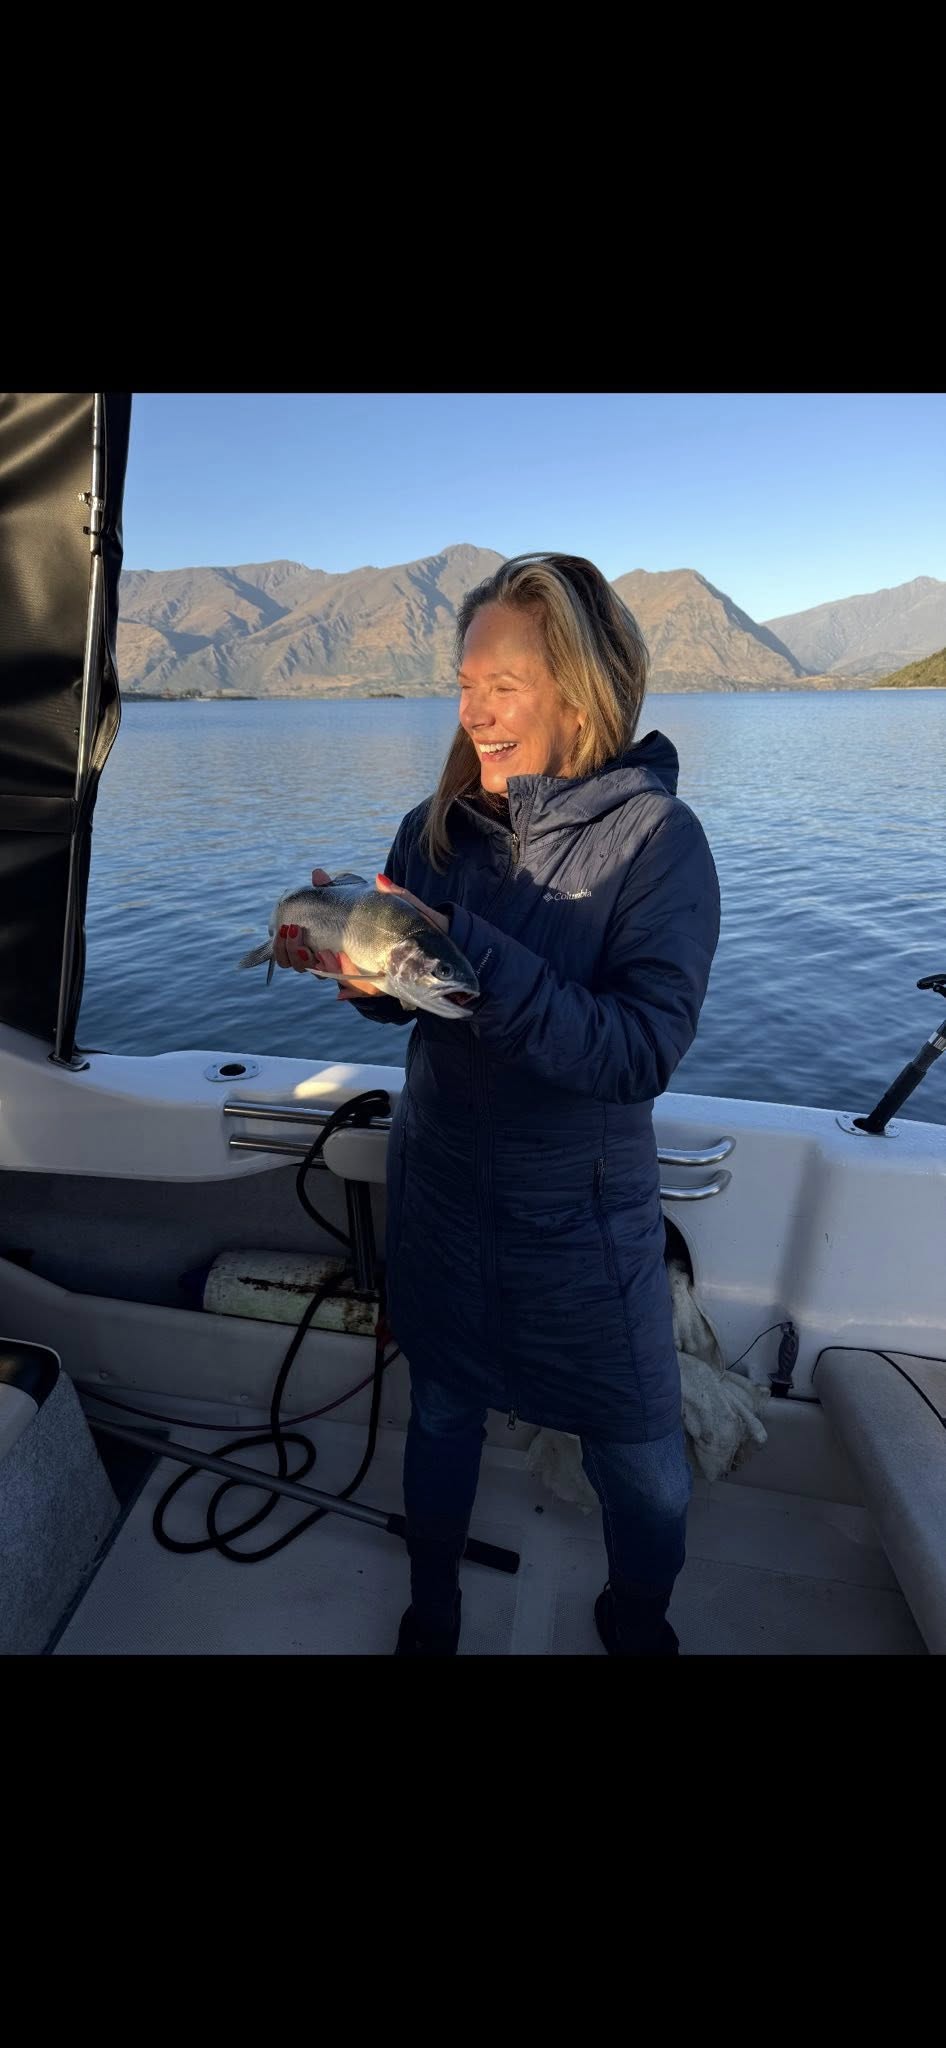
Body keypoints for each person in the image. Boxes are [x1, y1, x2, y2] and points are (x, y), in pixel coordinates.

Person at [274, 554, 720, 1656]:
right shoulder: (432, 831)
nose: (473, 710)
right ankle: (434, 1606)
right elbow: (411, 1008)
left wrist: (463, 951)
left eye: (503, 683)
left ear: (581, 686)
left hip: (580, 1226)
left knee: (647, 1471)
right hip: (444, 1198)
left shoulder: (661, 844)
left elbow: (638, 1050)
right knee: (438, 1413)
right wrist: (360, 977)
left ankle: (635, 1618)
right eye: (464, 680)